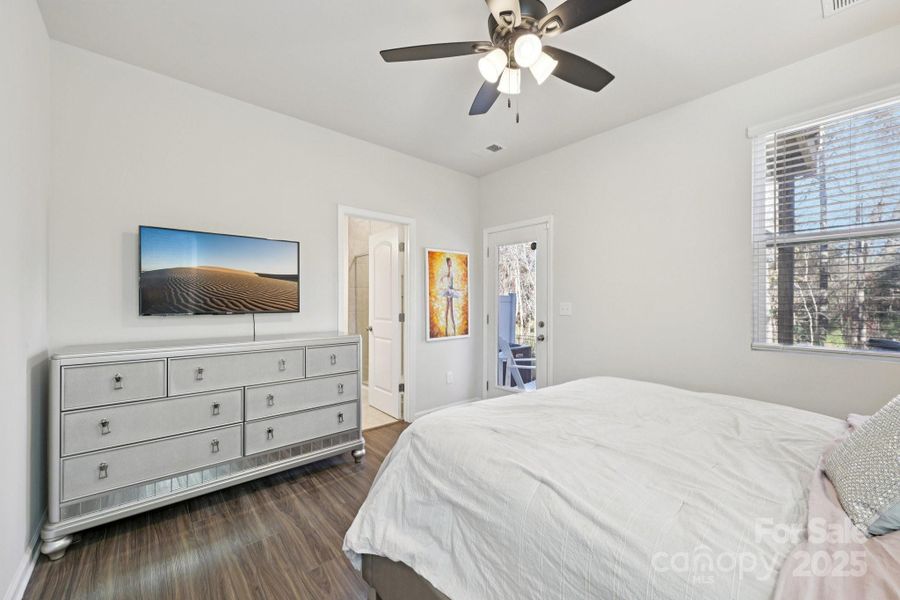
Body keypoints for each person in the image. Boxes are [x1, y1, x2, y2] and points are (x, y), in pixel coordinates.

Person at [439, 256, 462, 336]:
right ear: (448, 263)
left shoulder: (450, 271)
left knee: (449, 309)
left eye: (451, 262)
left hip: (450, 291)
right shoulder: (448, 271)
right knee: (449, 310)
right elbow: (446, 281)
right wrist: (444, 282)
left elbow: (450, 283)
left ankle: (450, 327)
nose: (451, 263)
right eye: (450, 262)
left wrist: (456, 289)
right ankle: (451, 327)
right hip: (449, 291)